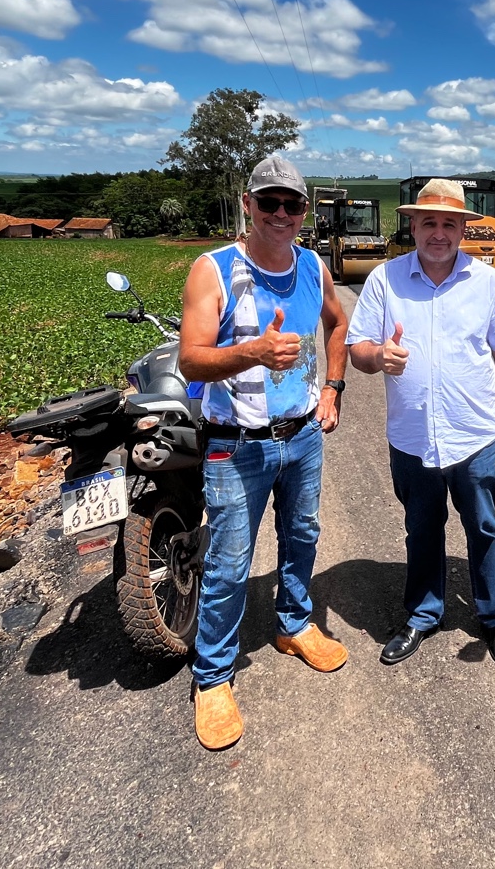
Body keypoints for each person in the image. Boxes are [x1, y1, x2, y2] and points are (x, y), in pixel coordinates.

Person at [176, 154, 351, 751]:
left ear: (305, 213)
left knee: (302, 535)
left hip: (301, 435)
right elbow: (190, 360)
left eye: (292, 204)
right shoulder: (214, 270)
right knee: (228, 562)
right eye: (269, 202)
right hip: (237, 444)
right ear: (248, 204)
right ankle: (213, 677)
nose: (281, 214)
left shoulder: (313, 266)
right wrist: (251, 351)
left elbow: (337, 324)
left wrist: (331, 388)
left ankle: (295, 625)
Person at [347, 178, 495, 669]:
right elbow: (357, 347)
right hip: (411, 436)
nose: (440, 233)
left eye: (450, 223)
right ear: (413, 225)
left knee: (484, 527)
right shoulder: (386, 280)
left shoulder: (487, 283)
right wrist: (378, 355)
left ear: (464, 228)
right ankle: (424, 614)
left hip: (474, 435)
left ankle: (494, 619)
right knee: (421, 528)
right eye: (430, 222)